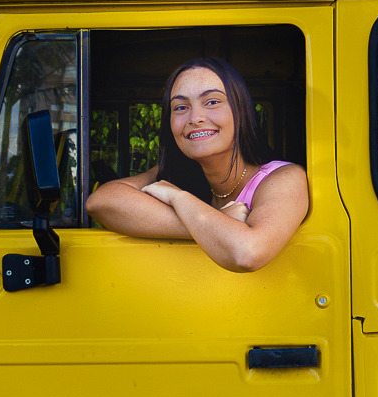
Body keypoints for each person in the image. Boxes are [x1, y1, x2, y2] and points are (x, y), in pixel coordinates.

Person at [85, 57, 308, 272]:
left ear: (240, 111)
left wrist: (178, 198)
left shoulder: (285, 177)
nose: (195, 117)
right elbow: (100, 202)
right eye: (180, 107)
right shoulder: (180, 170)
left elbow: (247, 253)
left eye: (212, 102)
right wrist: (216, 221)